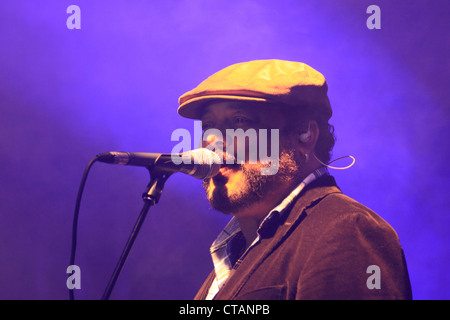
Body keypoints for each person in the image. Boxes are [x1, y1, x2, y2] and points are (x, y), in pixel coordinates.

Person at [177, 59, 412, 300]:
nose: (213, 142)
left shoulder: (347, 229)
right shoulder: (235, 252)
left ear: (304, 137)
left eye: (240, 122)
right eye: (208, 126)